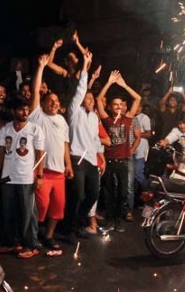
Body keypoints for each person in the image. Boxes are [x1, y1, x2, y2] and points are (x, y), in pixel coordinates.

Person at [28, 55, 74, 250]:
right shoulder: (37, 116)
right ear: (44, 104)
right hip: (42, 171)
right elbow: (35, 92)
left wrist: (69, 165)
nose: (54, 103)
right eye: (50, 100)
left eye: (56, 101)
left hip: (59, 173)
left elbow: (64, 144)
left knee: (58, 208)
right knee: (41, 206)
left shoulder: (62, 121)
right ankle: (34, 234)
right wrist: (40, 67)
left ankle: (48, 236)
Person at [0, 96, 45, 259]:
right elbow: (0, 153)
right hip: (7, 178)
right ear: (13, 111)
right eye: (22, 109)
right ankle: (12, 243)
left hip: (26, 178)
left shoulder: (34, 129)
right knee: (8, 211)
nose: (25, 112)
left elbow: (40, 154)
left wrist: (40, 176)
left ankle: (31, 244)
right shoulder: (5, 129)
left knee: (27, 213)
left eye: (27, 109)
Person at [66, 50, 109, 239]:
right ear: (82, 100)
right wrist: (85, 67)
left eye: (93, 99)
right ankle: (71, 227)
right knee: (80, 195)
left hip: (92, 160)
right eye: (88, 98)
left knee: (93, 195)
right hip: (77, 157)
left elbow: (95, 139)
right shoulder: (74, 112)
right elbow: (81, 89)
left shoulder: (94, 117)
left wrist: (100, 156)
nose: (91, 101)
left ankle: (78, 222)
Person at [96, 70, 141, 232]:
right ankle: (109, 220)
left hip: (123, 160)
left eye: (121, 104)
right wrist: (109, 83)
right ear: (110, 106)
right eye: (115, 104)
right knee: (108, 193)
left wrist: (124, 85)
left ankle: (118, 220)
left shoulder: (127, 119)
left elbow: (138, 98)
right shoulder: (107, 119)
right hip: (108, 161)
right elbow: (98, 100)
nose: (119, 107)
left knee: (122, 192)